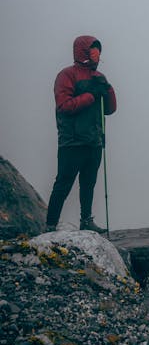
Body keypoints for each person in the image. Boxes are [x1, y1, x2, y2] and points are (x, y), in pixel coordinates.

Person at [46, 35, 117, 233]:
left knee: (88, 184)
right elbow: (64, 106)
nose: (97, 53)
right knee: (63, 184)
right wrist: (92, 95)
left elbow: (110, 109)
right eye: (93, 49)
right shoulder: (67, 75)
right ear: (83, 51)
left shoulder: (98, 77)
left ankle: (86, 220)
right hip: (72, 141)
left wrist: (108, 89)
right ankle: (50, 225)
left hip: (94, 141)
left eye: (98, 49)